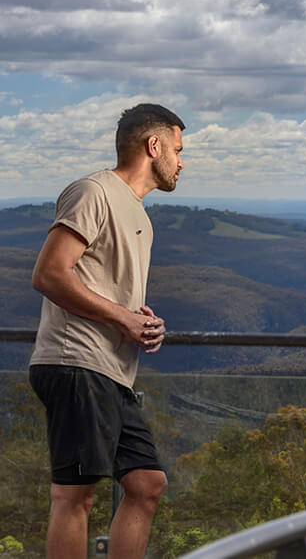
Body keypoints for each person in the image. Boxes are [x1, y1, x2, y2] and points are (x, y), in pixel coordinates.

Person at [29, 103, 185, 558]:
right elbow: (50, 274)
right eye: (177, 149)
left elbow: (102, 285)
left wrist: (142, 320)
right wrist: (123, 318)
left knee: (146, 484)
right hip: (76, 362)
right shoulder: (92, 191)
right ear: (152, 146)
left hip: (110, 373)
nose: (181, 161)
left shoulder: (138, 214)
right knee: (74, 496)